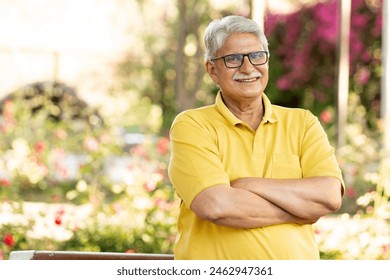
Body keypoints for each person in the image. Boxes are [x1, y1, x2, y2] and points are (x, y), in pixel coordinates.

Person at [168, 15, 344, 260]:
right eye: (233, 59)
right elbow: (217, 206)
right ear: (212, 70)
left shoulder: (303, 123)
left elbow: (329, 196)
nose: (248, 68)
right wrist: (300, 210)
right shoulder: (193, 125)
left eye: (257, 55)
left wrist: (250, 185)